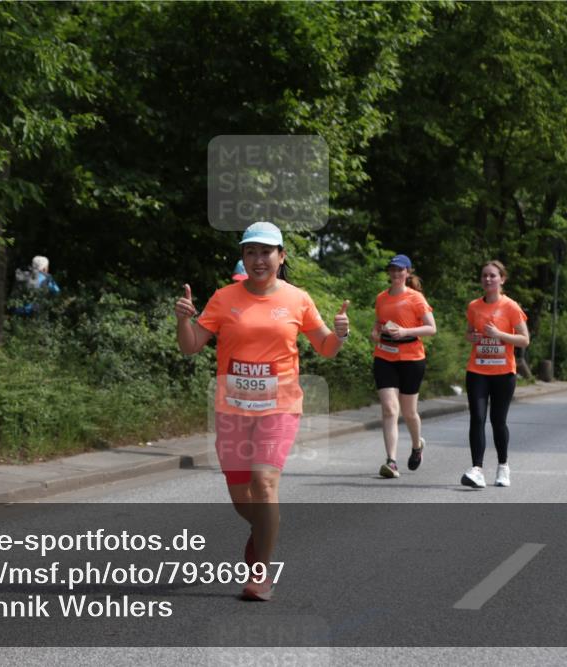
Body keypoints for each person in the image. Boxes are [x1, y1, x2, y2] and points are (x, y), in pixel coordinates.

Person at [174, 221, 349, 601]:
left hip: (279, 407)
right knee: (242, 496)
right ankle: (265, 531)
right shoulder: (223, 298)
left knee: (265, 484)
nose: (258, 259)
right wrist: (183, 319)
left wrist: (340, 334)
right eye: (250, 252)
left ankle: (261, 573)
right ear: (243, 256)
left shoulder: (297, 299)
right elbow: (191, 347)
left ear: (281, 256)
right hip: (232, 409)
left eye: (266, 252)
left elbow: (325, 347)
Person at [461, 260, 530, 489]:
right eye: (484, 276)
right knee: (477, 418)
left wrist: (499, 333)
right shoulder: (473, 306)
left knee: (497, 421)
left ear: (502, 279)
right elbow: (470, 333)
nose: (488, 279)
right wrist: (472, 337)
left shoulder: (510, 307)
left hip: (503, 372)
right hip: (477, 369)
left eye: (492, 276)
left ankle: (503, 466)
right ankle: (477, 469)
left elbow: (524, 339)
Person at [371, 254, 437, 478]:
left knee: (409, 412)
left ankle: (417, 446)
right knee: (390, 409)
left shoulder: (416, 298)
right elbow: (377, 326)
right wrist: (376, 334)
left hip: (411, 359)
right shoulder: (381, 298)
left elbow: (431, 328)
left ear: (408, 273)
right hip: (384, 357)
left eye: (401, 270)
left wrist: (405, 332)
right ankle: (391, 462)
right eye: (393, 270)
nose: (396, 274)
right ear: (389, 272)